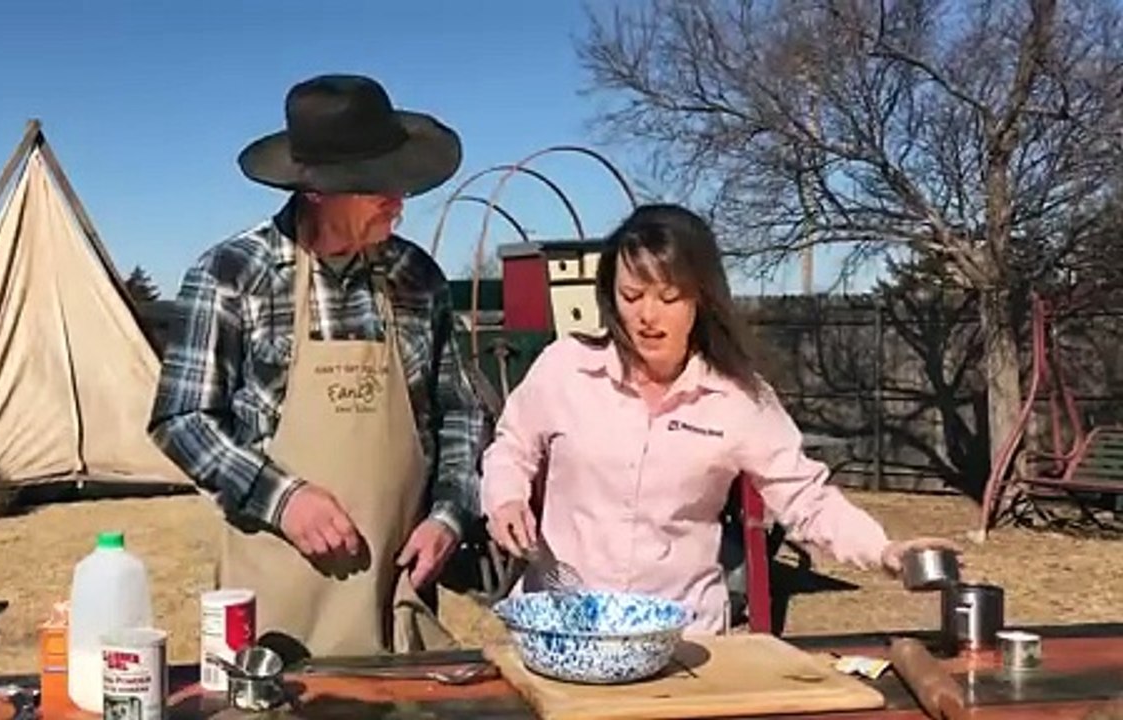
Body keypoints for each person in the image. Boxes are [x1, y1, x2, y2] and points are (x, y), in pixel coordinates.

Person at [479, 203, 962, 635]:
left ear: (702, 298)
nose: (647, 315)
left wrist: (882, 550)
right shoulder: (565, 367)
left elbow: (806, 498)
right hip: (562, 628)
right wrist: (505, 498)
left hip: (681, 639)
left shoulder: (738, 398)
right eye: (631, 295)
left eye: (669, 297)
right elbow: (511, 446)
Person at [149, 74, 485, 661]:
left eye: (399, 181)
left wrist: (448, 516)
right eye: (375, 185)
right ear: (317, 191)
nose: (397, 200)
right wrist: (284, 499)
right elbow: (182, 419)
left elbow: (458, 413)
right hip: (276, 600)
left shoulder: (417, 278)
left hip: (395, 594)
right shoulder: (233, 274)